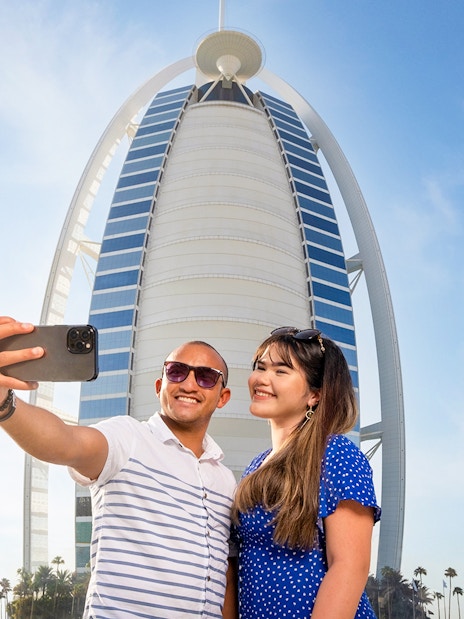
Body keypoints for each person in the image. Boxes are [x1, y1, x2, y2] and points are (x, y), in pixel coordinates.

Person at [0, 316, 238, 619]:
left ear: (222, 397)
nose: (189, 384)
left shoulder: (226, 480)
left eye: (205, 376)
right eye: (177, 372)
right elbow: (64, 442)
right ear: (159, 385)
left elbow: (226, 573)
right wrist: (4, 403)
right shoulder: (128, 438)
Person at [232, 327, 381, 619]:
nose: (261, 379)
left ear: (314, 395)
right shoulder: (255, 465)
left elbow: (349, 566)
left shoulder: (337, 454)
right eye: (260, 367)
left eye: (281, 371)